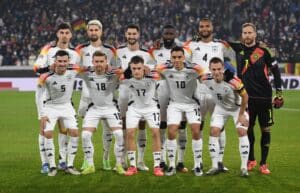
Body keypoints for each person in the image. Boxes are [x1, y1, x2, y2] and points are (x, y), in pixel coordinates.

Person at [224, 23, 283, 174]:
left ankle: (263, 163)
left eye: (250, 32)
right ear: (242, 35)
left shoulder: (264, 51)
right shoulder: (238, 48)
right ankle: (251, 159)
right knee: (248, 129)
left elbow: (276, 72)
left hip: (264, 97)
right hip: (246, 98)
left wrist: (279, 94)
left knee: (265, 129)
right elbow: (216, 41)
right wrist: (198, 37)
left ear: (255, 34)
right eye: (245, 33)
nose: (248, 35)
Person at [183, 18, 232, 172]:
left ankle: (219, 162)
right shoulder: (191, 45)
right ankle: (198, 163)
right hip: (198, 92)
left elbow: (238, 52)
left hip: (217, 93)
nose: (204, 29)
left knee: (220, 127)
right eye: (201, 26)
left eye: (207, 26)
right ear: (198, 29)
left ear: (212, 27)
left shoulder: (221, 45)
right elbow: (182, 62)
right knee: (197, 127)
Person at [34, 22, 80, 174]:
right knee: (45, 129)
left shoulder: (74, 54)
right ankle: (45, 163)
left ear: (71, 35)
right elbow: (36, 69)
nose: (64, 35)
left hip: (65, 97)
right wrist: (49, 69)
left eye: (67, 32)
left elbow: (76, 71)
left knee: (64, 129)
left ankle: (62, 160)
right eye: (61, 32)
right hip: (48, 96)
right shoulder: (48, 49)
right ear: (57, 34)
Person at [156, 46, 205, 176]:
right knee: (171, 131)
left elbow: (203, 78)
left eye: (179, 57)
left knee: (196, 130)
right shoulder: (164, 69)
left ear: (184, 57)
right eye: (174, 57)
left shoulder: (194, 69)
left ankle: (197, 164)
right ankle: (171, 165)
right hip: (175, 104)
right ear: (170, 58)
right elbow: (155, 73)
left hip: (191, 104)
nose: (177, 60)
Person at [75, 19, 117, 171]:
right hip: (87, 96)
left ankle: (106, 159)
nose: (93, 32)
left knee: (108, 130)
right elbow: (75, 68)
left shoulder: (110, 50)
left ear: (101, 31)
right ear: (87, 32)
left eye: (96, 30)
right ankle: (88, 161)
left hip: (106, 96)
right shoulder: (80, 49)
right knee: (87, 131)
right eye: (90, 30)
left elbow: (116, 70)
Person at [148, 24, 188, 172]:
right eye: (166, 34)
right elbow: (150, 69)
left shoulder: (183, 49)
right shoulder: (155, 50)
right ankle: (163, 160)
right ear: (162, 35)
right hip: (162, 89)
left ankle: (181, 162)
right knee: (162, 126)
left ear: (175, 34)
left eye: (171, 33)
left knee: (182, 127)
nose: (169, 36)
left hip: (180, 90)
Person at [202, 57, 250, 177]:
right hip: (220, 109)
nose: (216, 72)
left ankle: (244, 168)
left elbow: (245, 97)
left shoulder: (233, 81)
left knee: (241, 131)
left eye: (219, 69)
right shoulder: (205, 78)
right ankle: (214, 166)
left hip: (237, 109)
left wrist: (241, 115)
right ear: (209, 69)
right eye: (213, 69)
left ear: (223, 68)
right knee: (213, 131)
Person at [115, 23, 154, 170]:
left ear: (138, 35)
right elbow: (114, 70)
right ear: (126, 35)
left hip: (141, 96)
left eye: (134, 34)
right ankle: (123, 160)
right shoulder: (118, 52)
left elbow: (152, 72)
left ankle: (140, 161)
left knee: (142, 126)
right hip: (124, 94)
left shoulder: (147, 54)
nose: (131, 36)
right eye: (129, 34)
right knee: (125, 127)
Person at [80, 51, 125, 175]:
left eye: (101, 61)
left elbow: (126, 71)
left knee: (119, 134)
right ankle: (90, 165)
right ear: (93, 62)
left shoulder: (113, 74)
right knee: (85, 135)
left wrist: (116, 70)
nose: (99, 64)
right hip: (94, 108)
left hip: (110, 108)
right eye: (96, 61)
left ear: (106, 62)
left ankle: (118, 165)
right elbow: (75, 68)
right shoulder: (87, 74)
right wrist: (88, 67)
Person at [121, 56, 163, 176]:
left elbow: (161, 71)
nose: (136, 71)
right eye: (134, 68)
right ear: (131, 68)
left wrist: (151, 68)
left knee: (155, 133)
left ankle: (157, 166)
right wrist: (125, 70)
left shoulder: (152, 76)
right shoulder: (127, 77)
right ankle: (133, 166)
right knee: (129, 133)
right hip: (134, 108)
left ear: (143, 67)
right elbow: (117, 75)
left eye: (139, 68)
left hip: (151, 107)